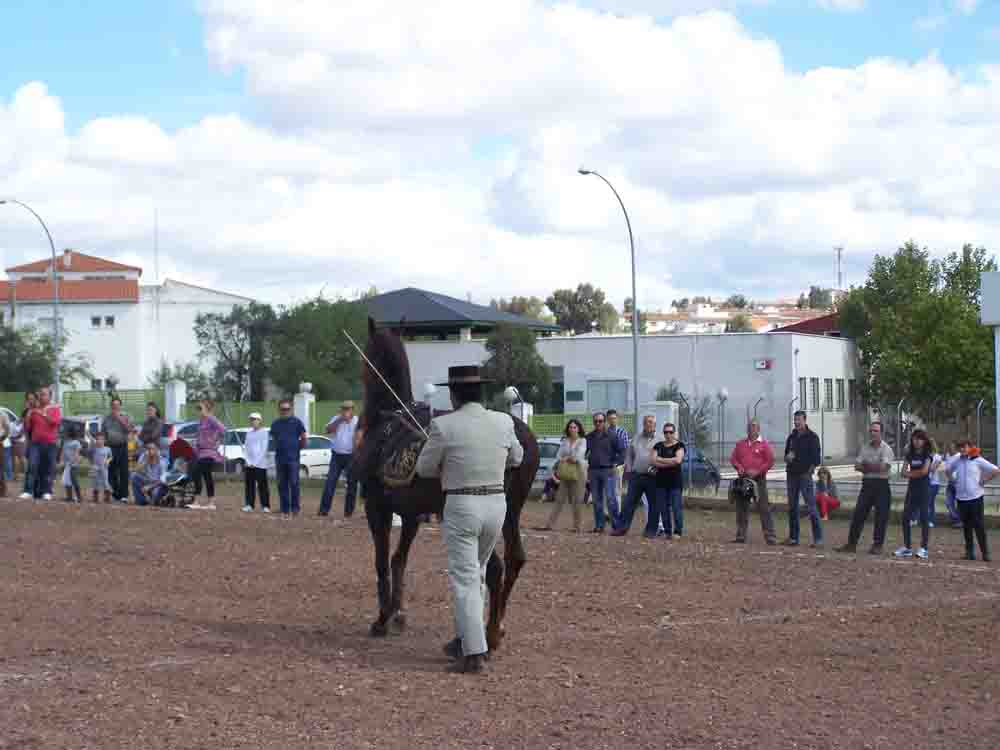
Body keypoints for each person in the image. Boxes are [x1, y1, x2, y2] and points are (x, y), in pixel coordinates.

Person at [415, 365, 523, 675]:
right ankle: (466, 637)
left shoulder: (442, 425)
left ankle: (474, 653)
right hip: (496, 504)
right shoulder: (504, 421)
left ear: (453, 394)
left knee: (465, 579)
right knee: (476, 574)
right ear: (480, 392)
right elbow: (516, 458)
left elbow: (423, 468)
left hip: (462, 505)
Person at [837, 421, 895, 555]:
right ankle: (851, 544)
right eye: (871, 431)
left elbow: (884, 468)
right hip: (867, 484)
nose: (873, 433)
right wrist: (873, 466)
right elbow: (856, 466)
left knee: (881, 517)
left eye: (876, 431)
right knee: (858, 514)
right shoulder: (865, 447)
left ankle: (877, 545)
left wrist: (866, 466)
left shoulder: (886, 449)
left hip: (881, 485)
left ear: (881, 433)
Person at [945, 440, 999, 562]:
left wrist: (984, 480)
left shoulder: (978, 460)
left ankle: (985, 553)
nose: (962, 449)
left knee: (979, 526)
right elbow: (948, 470)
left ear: (970, 447)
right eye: (960, 447)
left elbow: (995, 470)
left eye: (964, 447)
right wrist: (953, 480)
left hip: (976, 498)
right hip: (961, 499)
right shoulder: (957, 460)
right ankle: (969, 553)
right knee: (966, 527)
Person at [729, 419, 776, 545]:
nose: (751, 429)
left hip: (759, 479)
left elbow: (770, 461)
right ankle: (741, 535)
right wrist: (739, 467)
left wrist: (758, 471)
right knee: (742, 507)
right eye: (749, 427)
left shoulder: (764, 444)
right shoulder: (740, 444)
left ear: (758, 429)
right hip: (744, 479)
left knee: (763, 507)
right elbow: (733, 459)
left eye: (754, 427)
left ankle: (770, 536)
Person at [612, 415, 659, 537]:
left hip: (653, 477)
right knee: (628, 503)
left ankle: (651, 531)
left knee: (654, 504)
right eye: (647, 422)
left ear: (655, 425)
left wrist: (657, 469)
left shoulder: (659, 440)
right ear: (643, 424)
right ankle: (621, 528)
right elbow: (629, 455)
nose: (649, 424)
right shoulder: (636, 438)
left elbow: (662, 457)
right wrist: (629, 469)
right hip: (636, 476)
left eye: (651, 422)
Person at [539, 419, 587, 532]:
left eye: (574, 427)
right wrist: (568, 458)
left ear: (578, 429)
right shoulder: (565, 441)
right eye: (570, 427)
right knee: (559, 499)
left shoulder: (582, 441)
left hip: (578, 473)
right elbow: (558, 456)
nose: (572, 429)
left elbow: (578, 456)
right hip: (565, 473)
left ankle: (577, 527)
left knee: (577, 500)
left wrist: (567, 457)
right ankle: (549, 525)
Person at [783, 410, 823, 547]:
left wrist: (808, 472)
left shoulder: (812, 437)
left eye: (799, 420)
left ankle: (818, 539)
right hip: (791, 475)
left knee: (811, 506)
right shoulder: (791, 437)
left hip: (805, 476)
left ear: (805, 420)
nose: (796, 422)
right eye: (795, 420)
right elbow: (786, 455)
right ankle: (793, 538)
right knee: (792, 507)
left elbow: (816, 459)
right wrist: (787, 458)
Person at [895, 429, 934, 560]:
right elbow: (902, 472)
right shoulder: (909, 454)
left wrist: (910, 474)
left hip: (924, 489)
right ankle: (907, 547)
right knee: (905, 517)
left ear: (924, 441)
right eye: (915, 438)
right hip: (912, 489)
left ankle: (924, 548)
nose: (917, 441)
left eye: (920, 439)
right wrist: (915, 474)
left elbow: (924, 471)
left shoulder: (927, 454)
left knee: (924, 518)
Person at [318, 400, 360, 518]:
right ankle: (323, 510)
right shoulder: (336, 418)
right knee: (330, 483)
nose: (345, 411)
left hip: (351, 456)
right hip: (336, 455)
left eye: (347, 409)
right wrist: (339, 420)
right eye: (343, 408)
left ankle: (348, 512)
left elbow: (360, 436)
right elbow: (328, 430)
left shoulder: (357, 421)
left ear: (352, 410)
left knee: (352, 484)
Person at [585, 412, 622, 533]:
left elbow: (622, 451)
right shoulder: (589, 437)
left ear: (604, 422)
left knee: (611, 499)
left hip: (608, 470)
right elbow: (584, 452)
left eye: (600, 421)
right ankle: (599, 525)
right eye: (595, 421)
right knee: (596, 500)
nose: (598, 423)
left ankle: (616, 526)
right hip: (593, 471)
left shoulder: (612, 436)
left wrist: (617, 463)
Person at [270, 399, 307, 516]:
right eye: (282, 409)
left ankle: (295, 508)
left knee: (294, 483)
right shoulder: (275, 424)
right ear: (279, 410)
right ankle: (284, 508)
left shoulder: (297, 422)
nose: (285, 411)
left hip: (293, 459)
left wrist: (298, 448)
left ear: (291, 409)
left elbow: (304, 437)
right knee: (282, 484)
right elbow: (274, 439)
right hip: (280, 458)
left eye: (287, 409)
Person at [651, 422, 686, 538]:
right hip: (660, 482)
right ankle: (667, 531)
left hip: (675, 483)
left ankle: (678, 531)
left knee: (676, 508)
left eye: (670, 432)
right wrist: (670, 461)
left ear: (674, 433)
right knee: (663, 509)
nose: (668, 434)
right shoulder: (658, 445)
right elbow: (653, 460)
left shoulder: (679, 445)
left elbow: (678, 460)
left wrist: (660, 459)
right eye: (666, 432)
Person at [189, 399, 225, 510]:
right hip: (200, 453)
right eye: (197, 408)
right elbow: (199, 436)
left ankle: (200, 501)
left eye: (200, 408)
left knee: (197, 472)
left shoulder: (211, 419)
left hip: (210, 453)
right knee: (205, 475)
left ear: (207, 409)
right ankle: (209, 502)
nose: (198, 411)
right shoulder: (201, 421)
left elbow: (223, 429)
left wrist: (217, 441)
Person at [25, 386, 61, 501]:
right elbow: (28, 428)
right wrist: (28, 416)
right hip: (35, 443)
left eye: (44, 394)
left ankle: (47, 491)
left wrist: (44, 414)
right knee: (32, 465)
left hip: (50, 443)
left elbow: (55, 422)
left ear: (49, 397)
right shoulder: (34, 410)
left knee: (48, 469)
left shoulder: (55, 409)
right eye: (40, 394)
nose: (42, 396)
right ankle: (28, 491)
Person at [101, 398, 133, 502]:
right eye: (113, 405)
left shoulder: (126, 416)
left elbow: (130, 429)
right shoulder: (106, 419)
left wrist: (119, 418)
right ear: (111, 406)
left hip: (122, 446)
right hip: (110, 447)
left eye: (117, 405)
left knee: (124, 471)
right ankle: (115, 495)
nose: (115, 407)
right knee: (111, 471)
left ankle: (124, 495)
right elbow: (103, 433)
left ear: (120, 406)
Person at [242, 412, 271, 513]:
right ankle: (249, 505)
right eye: (251, 419)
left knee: (262, 486)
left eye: (255, 419)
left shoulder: (264, 433)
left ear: (260, 421)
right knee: (249, 485)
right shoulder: (248, 433)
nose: (253, 421)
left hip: (260, 465)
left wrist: (255, 463)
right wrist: (248, 461)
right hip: (249, 464)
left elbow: (263, 449)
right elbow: (246, 448)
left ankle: (265, 506)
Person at [606, 409, 629, 518]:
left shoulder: (622, 432)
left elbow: (625, 450)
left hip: (618, 465)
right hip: (606, 465)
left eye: (614, 418)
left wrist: (620, 463)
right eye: (610, 419)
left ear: (617, 419)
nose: (612, 420)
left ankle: (618, 512)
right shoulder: (605, 432)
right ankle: (608, 513)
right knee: (607, 490)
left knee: (617, 490)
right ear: (607, 420)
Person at [60, 424, 84, 502]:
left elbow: (77, 453)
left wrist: (73, 461)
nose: (65, 434)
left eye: (66, 432)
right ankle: (69, 497)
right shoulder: (65, 442)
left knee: (74, 479)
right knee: (67, 480)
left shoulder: (76, 443)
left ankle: (79, 497)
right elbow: (63, 452)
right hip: (67, 464)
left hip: (73, 465)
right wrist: (62, 461)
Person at [90, 432, 112, 503]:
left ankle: (107, 497)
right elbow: (91, 442)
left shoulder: (107, 449)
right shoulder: (94, 448)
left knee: (105, 482)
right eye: (98, 439)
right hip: (96, 467)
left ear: (104, 440)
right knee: (95, 482)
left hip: (104, 468)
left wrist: (108, 461)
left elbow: (110, 457)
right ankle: (95, 497)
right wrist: (89, 436)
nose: (99, 441)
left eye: (101, 439)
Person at [0, 408, 8, 498]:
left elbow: (7, 429)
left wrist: (2, 439)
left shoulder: (2, 414)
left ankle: (2, 490)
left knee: (1, 467)